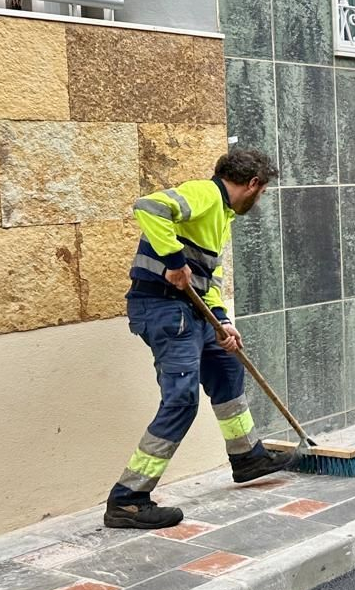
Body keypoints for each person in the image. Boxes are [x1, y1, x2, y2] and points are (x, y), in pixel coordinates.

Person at [104, 148, 291, 529]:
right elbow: (148, 207)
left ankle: (247, 457)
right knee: (181, 401)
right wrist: (174, 262)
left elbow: (209, 281)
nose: (260, 198)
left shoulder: (221, 215)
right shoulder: (205, 194)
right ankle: (128, 499)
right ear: (253, 183)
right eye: (262, 191)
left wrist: (221, 321)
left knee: (227, 368)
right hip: (164, 309)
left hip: (193, 311)